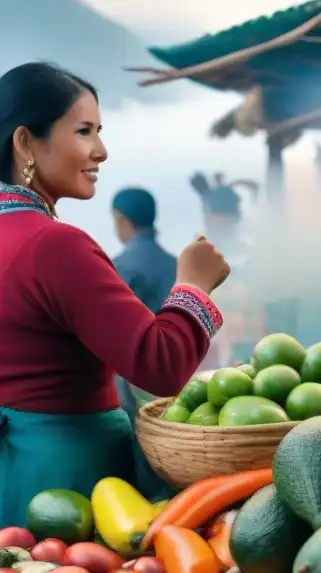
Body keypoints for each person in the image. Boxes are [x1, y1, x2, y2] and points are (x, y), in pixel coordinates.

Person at [0, 63, 229, 524]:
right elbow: (159, 364)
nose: (101, 151)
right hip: (69, 480)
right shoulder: (53, 245)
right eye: (84, 131)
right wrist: (194, 285)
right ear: (25, 142)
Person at [110, 187, 177, 416]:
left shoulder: (121, 266)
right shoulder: (176, 265)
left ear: (120, 219)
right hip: (176, 369)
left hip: (133, 379)